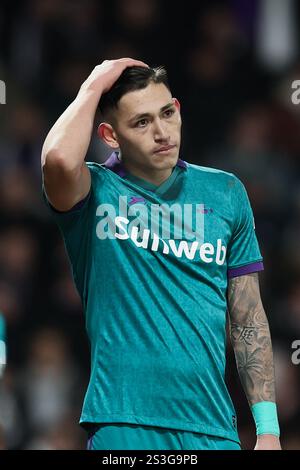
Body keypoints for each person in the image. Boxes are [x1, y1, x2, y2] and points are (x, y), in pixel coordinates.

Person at [41, 58, 281, 450]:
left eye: (167, 114)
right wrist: (94, 85)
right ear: (110, 135)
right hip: (123, 423)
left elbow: (248, 318)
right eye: (141, 122)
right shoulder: (93, 191)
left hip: (214, 427)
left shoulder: (226, 192)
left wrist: (268, 429)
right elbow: (58, 160)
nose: (161, 132)